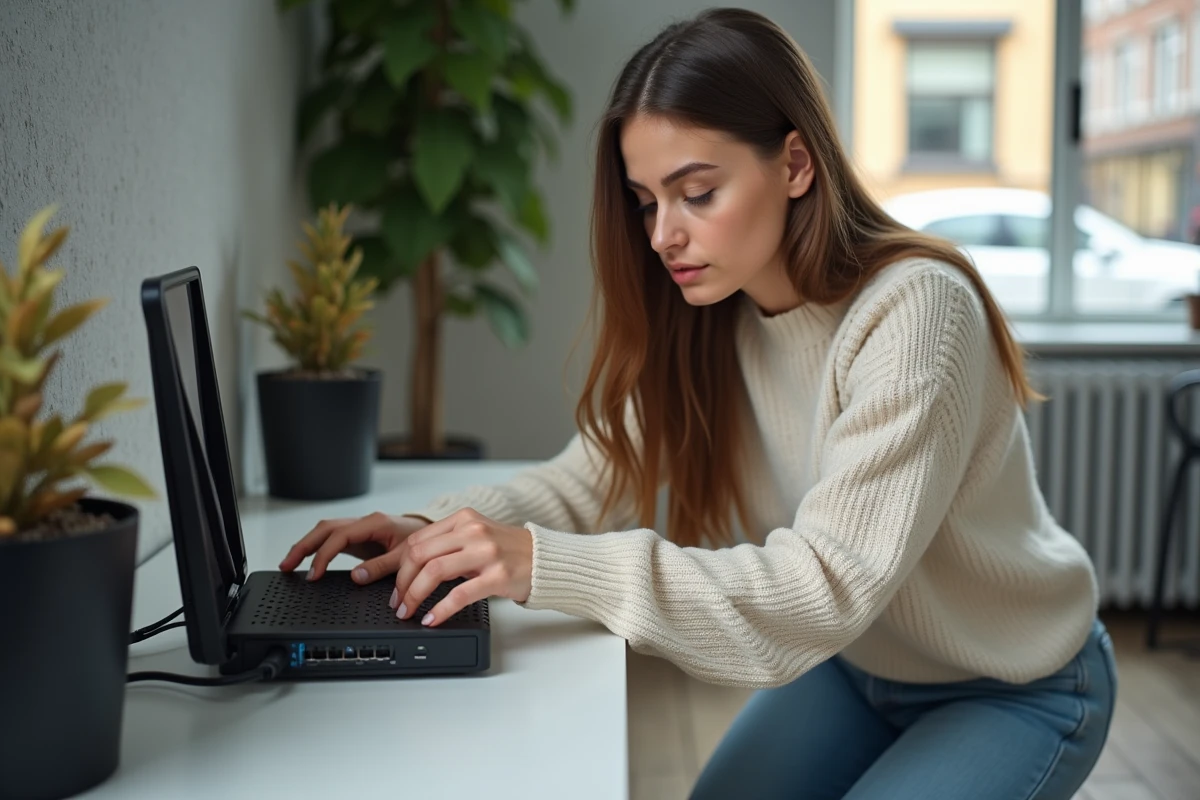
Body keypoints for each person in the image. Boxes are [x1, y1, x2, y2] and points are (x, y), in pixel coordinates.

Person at [279, 8, 1116, 798]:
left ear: (795, 164)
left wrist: (541, 563)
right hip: (860, 667)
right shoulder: (718, 316)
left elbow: (820, 589)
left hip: (1016, 681)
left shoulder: (916, 313)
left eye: (697, 193)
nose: (661, 236)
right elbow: (590, 483)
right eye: (647, 201)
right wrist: (436, 534)